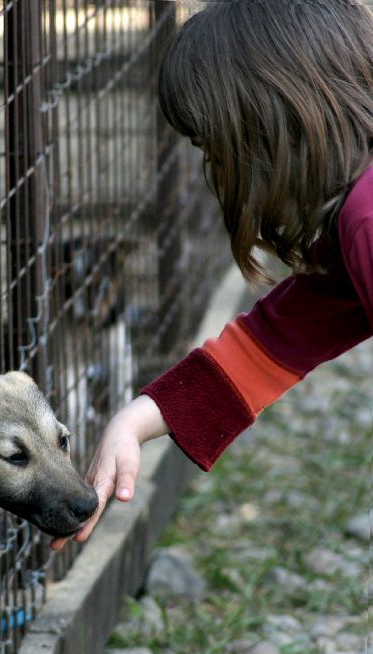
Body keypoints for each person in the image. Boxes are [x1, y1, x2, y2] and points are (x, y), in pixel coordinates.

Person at [50, 0, 373, 552]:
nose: (214, 172)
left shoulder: (366, 219)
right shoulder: (355, 217)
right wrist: (132, 421)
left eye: (212, 148)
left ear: (264, 128)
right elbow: (274, 341)